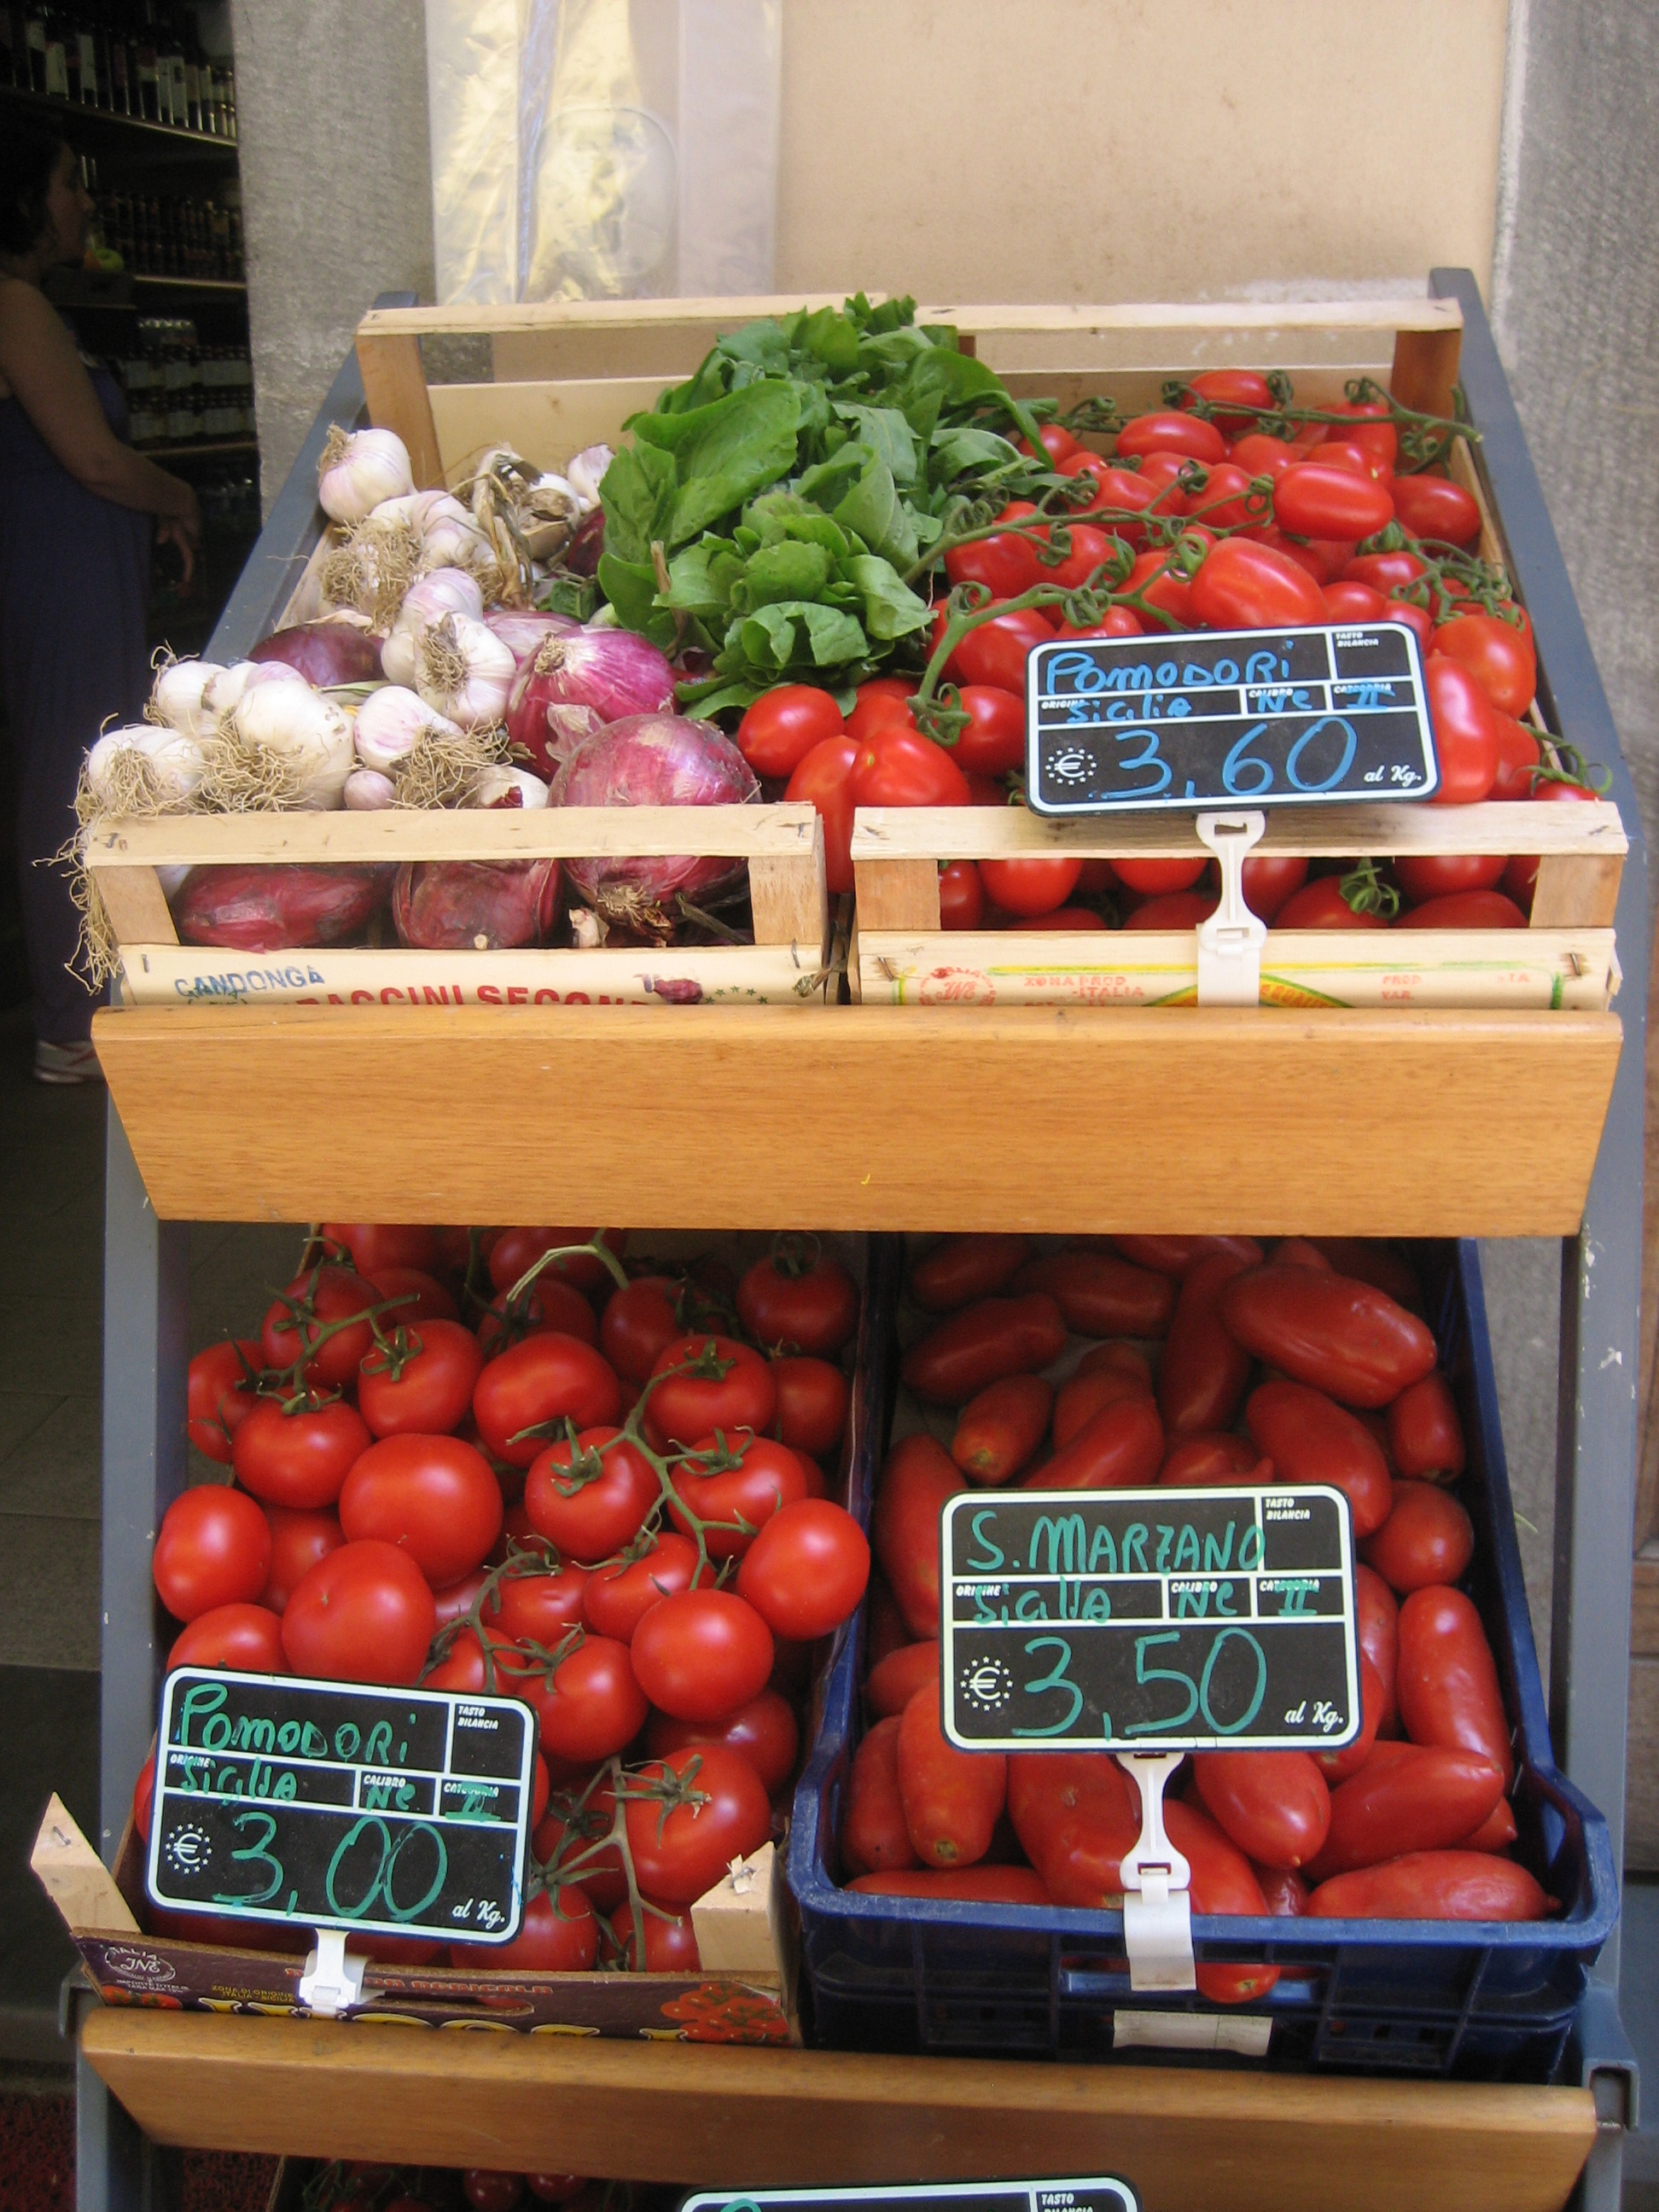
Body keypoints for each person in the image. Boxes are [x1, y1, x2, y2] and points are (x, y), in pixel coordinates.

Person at [0, 127, 200, 1082]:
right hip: (58, 574)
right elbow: (92, 459)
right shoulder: (14, 304)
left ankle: (91, 1000)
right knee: (70, 776)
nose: (82, 202)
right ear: (23, 198)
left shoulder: (33, 302)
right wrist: (179, 496)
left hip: (74, 570)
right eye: (66, 184)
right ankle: (74, 1021)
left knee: (85, 766)